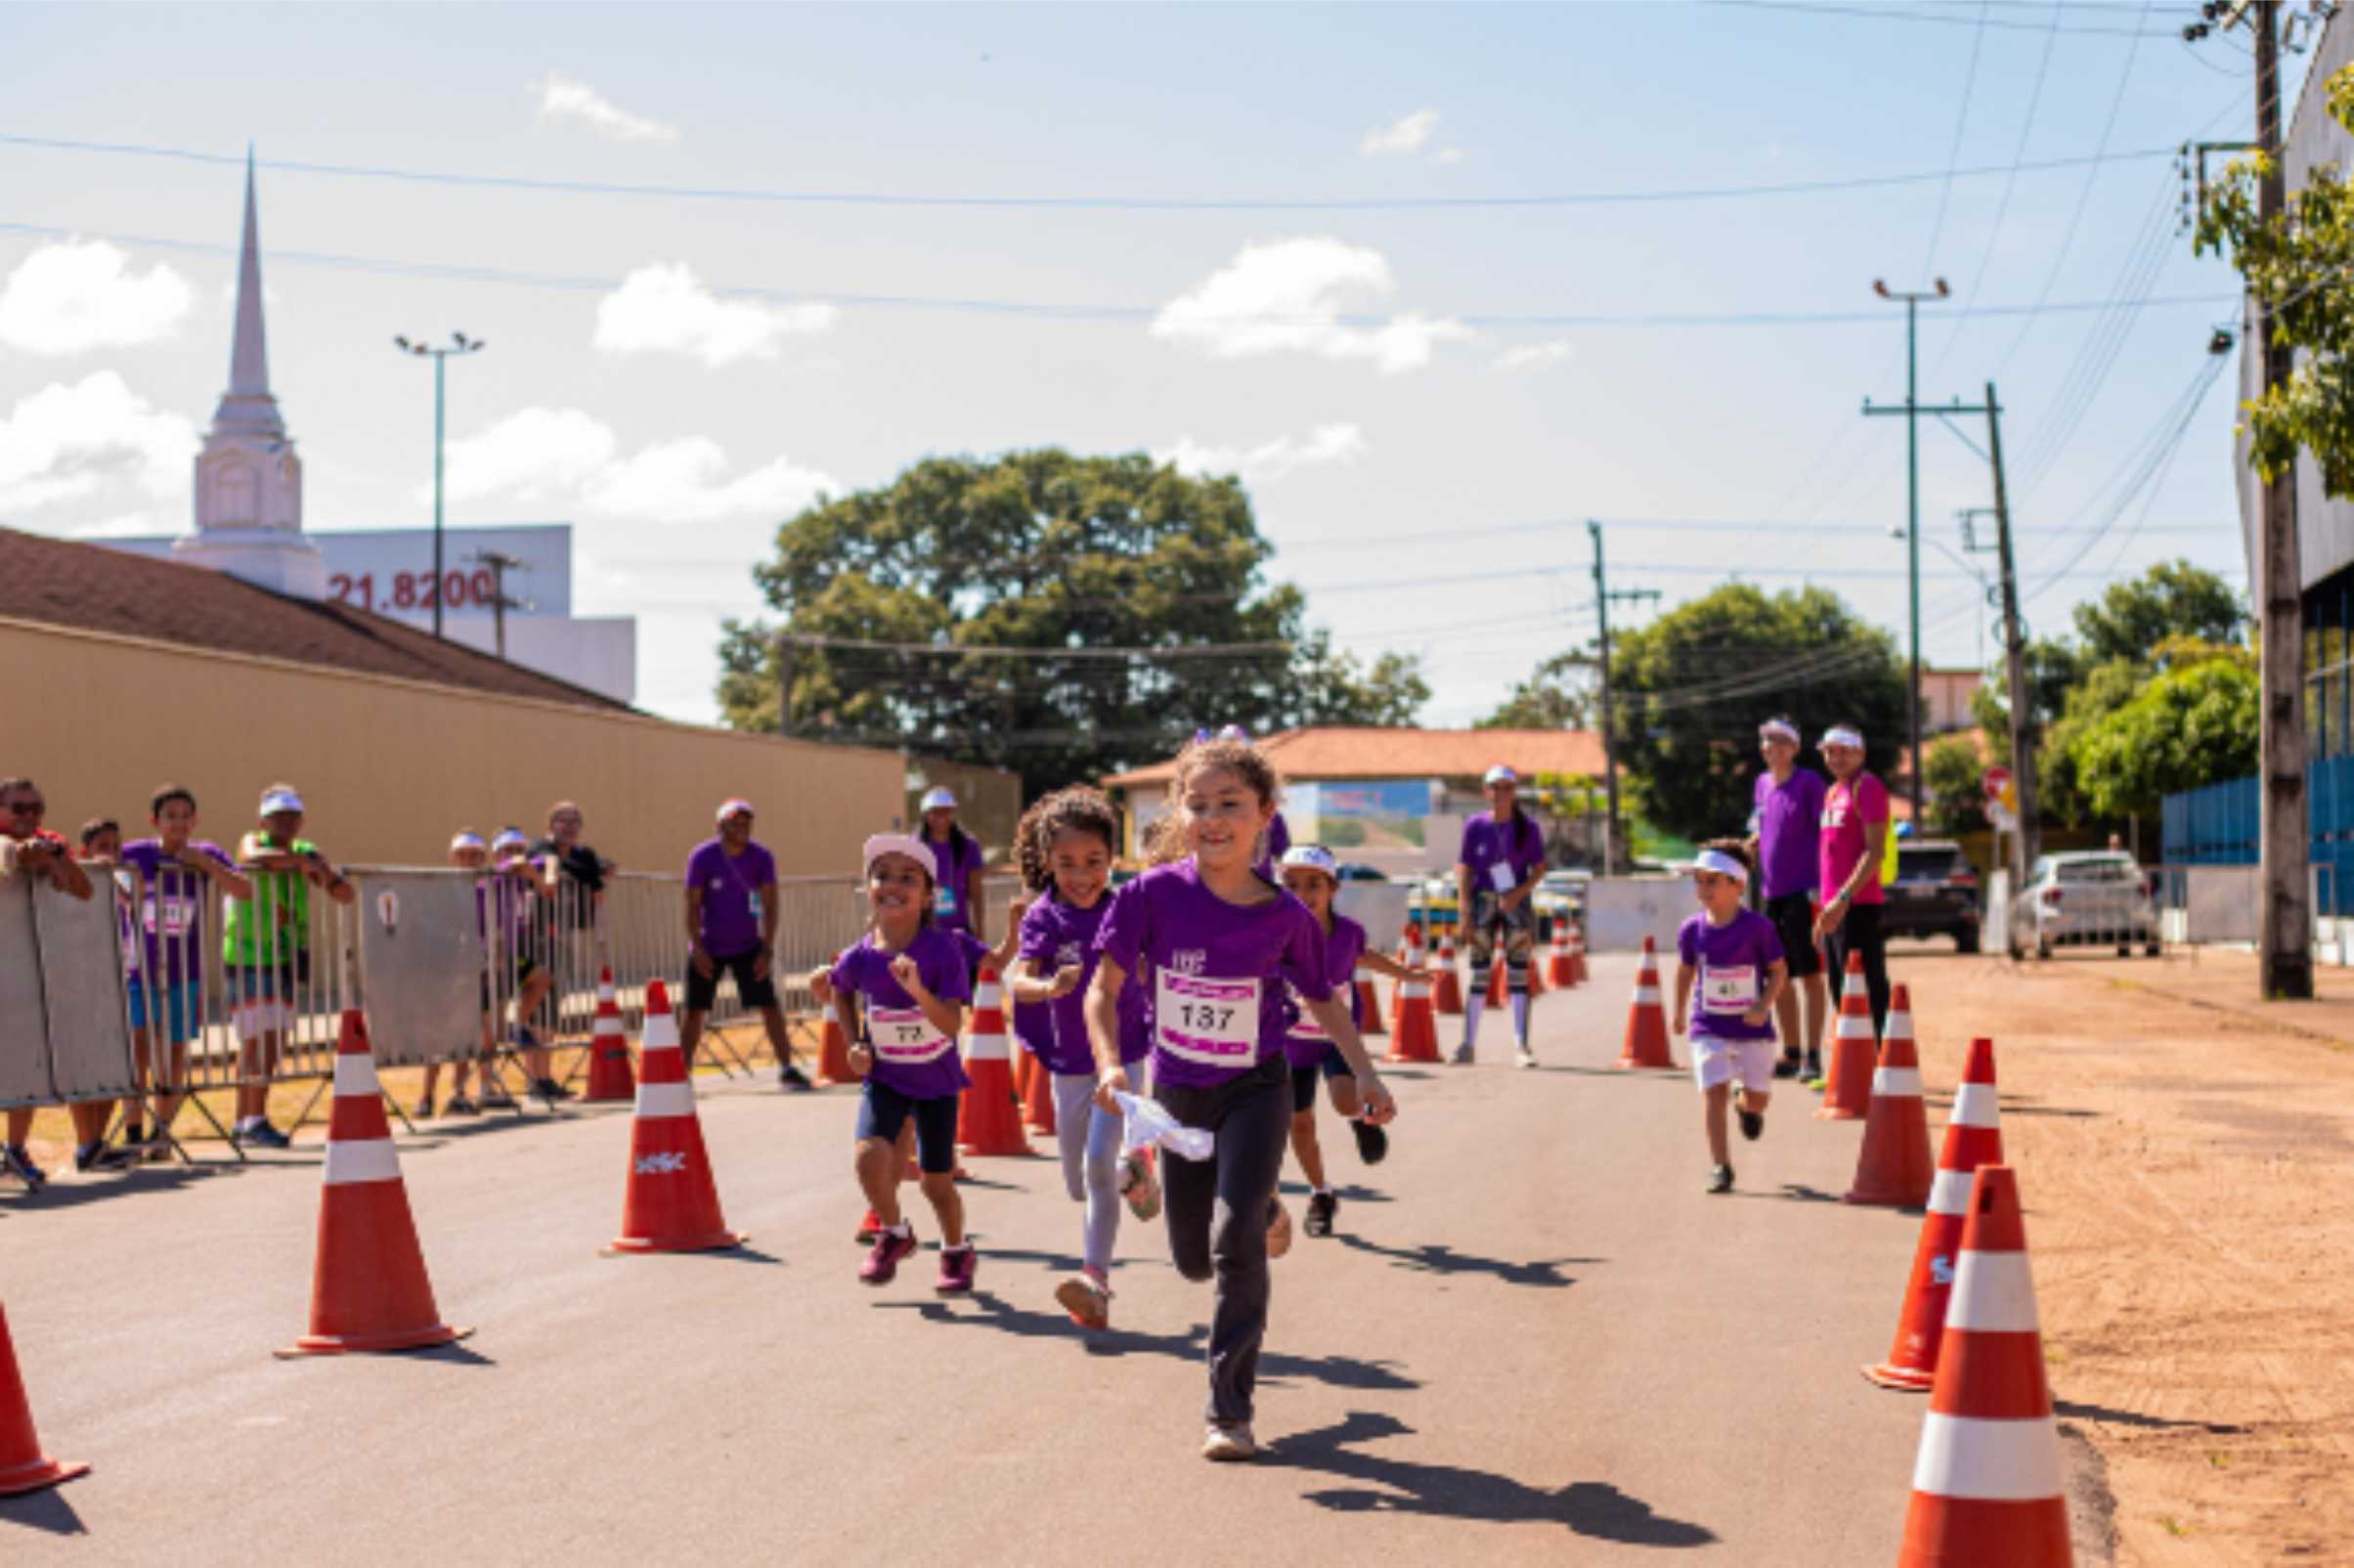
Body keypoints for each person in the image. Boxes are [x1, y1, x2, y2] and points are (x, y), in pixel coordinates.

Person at [1086, 733, 1397, 1462]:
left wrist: (1368, 1072)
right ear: (1180, 815)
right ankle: (1263, 1206)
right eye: (1198, 805)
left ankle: (1229, 1410)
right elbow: (1104, 992)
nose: (1213, 818)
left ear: (1264, 814)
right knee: (1194, 1259)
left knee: (1233, 1249)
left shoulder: (1284, 915)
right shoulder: (1148, 896)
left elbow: (1324, 1001)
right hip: (1179, 1092)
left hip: (1257, 1088)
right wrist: (1108, 1066)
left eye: (1231, 803)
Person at [1005, 786, 1160, 1331]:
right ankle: (1133, 1173)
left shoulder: (1128, 906)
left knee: (1094, 1166)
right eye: (1067, 863)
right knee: (1078, 1182)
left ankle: (1095, 1280)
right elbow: (1017, 983)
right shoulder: (1044, 915)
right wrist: (1049, 986)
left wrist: (1147, 974)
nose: (1081, 875)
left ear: (1111, 859)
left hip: (1123, 1055)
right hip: (1069, 1062)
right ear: (1048, 861)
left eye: (1094, 862)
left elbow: (1159, 961)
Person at [831, 834, 978, 1292]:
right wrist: (853, 1041)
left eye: (907, 878)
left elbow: (952, 1024)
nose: (892, 885)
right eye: (882, 875)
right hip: (887, 1076)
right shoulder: (862, 954)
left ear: (928, 894)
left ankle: (956, 1250)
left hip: (935, 1082)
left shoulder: (941, 950)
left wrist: (916, 991)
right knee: (867, 1155)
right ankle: (894, 1232)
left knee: (936, 1184)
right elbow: (839, 988)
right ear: (868, 885)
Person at [1275, 844, 1425, 1240]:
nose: (1303, 895)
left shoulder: (1348, 934)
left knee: (1344, 1102)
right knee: (1300, 1125)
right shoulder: (1273, 934)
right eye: (1291, 885)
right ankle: (1321, 1195)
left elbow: (1367, 957)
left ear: (1332, 889)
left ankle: (1362, 1120)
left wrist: (1407, 976)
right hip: (1291, 1044)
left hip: (1336, 1039)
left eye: (1313, 885)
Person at [120, 786, 251, 1154]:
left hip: (183, 971)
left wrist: (206, 866)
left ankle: (161, 1132)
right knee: (137, 1048)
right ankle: (132, 1131)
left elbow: (244, 889)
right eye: (169, 816)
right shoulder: (135, 853)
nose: (178, 823)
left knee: (174, 1051)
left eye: (184, 816)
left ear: (195, 820)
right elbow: (100, 865)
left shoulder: (206, 852)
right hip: (138, 971)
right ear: (154, 821)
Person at [224, 784, 354, 1149]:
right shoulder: (252, 840)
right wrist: (297, 864)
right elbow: (251, 858)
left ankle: (246, 1120)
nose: (285, 823)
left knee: (273, 1039)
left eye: (292, 816)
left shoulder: (305, 851)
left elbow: (344, 894)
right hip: (248, 953)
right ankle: (251, 1120)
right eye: (277, 816)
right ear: (262, 819)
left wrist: (324, 873)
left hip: (282, 955)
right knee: (257, 1040)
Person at [1670, 841, 1789, 1194]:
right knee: (1712, 1091)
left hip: (1752, 1027)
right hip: (1708, 1024)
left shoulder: (1758, 928)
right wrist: (1677, 1011)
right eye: (1699, 882)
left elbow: (1778, 971)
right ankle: (1721, 1166)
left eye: (1712, 882)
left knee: (1758, 1100)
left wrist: (1762, 1006)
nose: (1703, 889)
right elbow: (1685, 970)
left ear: (1737, 885)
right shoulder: (1691, 930)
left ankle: (1747, 1106)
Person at [1, 778, 103, 1184]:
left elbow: (84, 891)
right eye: (18, 808)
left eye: (35, 808)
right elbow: (8, 863)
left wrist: (56, 862)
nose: (28, 816)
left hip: (26, 972)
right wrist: (23, 856)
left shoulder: (50, 840)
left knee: (25, 1063)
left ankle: (14, 1150)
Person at [680, 799, 813, 1091]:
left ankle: (787, 1067)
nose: (742, 827)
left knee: (769, 1005)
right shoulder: (702, 856)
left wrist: (766, 948)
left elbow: (771, 904)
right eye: (734, 822)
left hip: (748, 945)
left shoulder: (761, 856)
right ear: (720, 826)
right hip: (708, 945)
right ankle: (682, 1072)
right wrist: (698, 948)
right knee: (694, 1010)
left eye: (746, 821)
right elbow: (691, 905)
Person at [1747, 716, 1830, 1082]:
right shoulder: (1762, 785)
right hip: (1770, 894)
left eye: (1782, 742)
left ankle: (1813, 1055)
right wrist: (1731, 852)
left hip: (1804, 891)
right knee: (1777, 975)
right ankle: (1791, 1051)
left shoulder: (1809, 783)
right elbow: (1759, 833)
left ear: (1795, 748)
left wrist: (1825, 890)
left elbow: (1827, 836)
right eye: (1768, 741)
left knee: (1810, 974)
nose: (1773, 748)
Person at [1453, 763, 1548, 1068]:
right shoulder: (1475, 825)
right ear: (1485, 791)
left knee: (1518, 973)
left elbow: (1539, 869)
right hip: (1482, 901)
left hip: (1515, 904)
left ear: (1514, 792)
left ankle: (1522, 1045)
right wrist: (1464, 908)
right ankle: (1467, 1044)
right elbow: (1464, 867)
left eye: (1506, 787)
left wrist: (1517, 895)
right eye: (1494, 787)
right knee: (1478, 972)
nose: (1500, 793)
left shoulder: (1528, 827)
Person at [527, 801, 614, 1101]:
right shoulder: (539, 848)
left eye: (575, 820)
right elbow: (559, 866)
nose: (569, 826)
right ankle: (534, 1079)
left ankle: (545, 1077)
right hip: (535, 938)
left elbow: (594, 877)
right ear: (550, 824)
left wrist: (594, 868)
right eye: (563, 820)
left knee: (552, 1009)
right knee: (536, 1008)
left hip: (563, 937)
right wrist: (586, 870)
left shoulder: (584, 854)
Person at [1812, 724, 1894, 1036]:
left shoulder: (1868, 787)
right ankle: (1852, 1068)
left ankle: (1880, 1066)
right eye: (1830, 751)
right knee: (1839, 989)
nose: (1836, 758)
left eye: (1843, 751)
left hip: (1858, 905)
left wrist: (1842, 899)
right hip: (1833, 909)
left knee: (1866, 990)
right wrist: (1823, 909)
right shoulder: (1833, 792)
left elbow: (1874, 853)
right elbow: (1828, 857)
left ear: (1860, 753)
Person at [915, 786, 987, 939]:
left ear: (953, 814)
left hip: (959, 931)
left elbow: (976, 893)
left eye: (946, 811)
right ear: (926, 815)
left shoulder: (968, 846)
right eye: (935, 811)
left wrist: (980, 933)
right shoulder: (915, 846)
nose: (941, 816)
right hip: (924, 932)